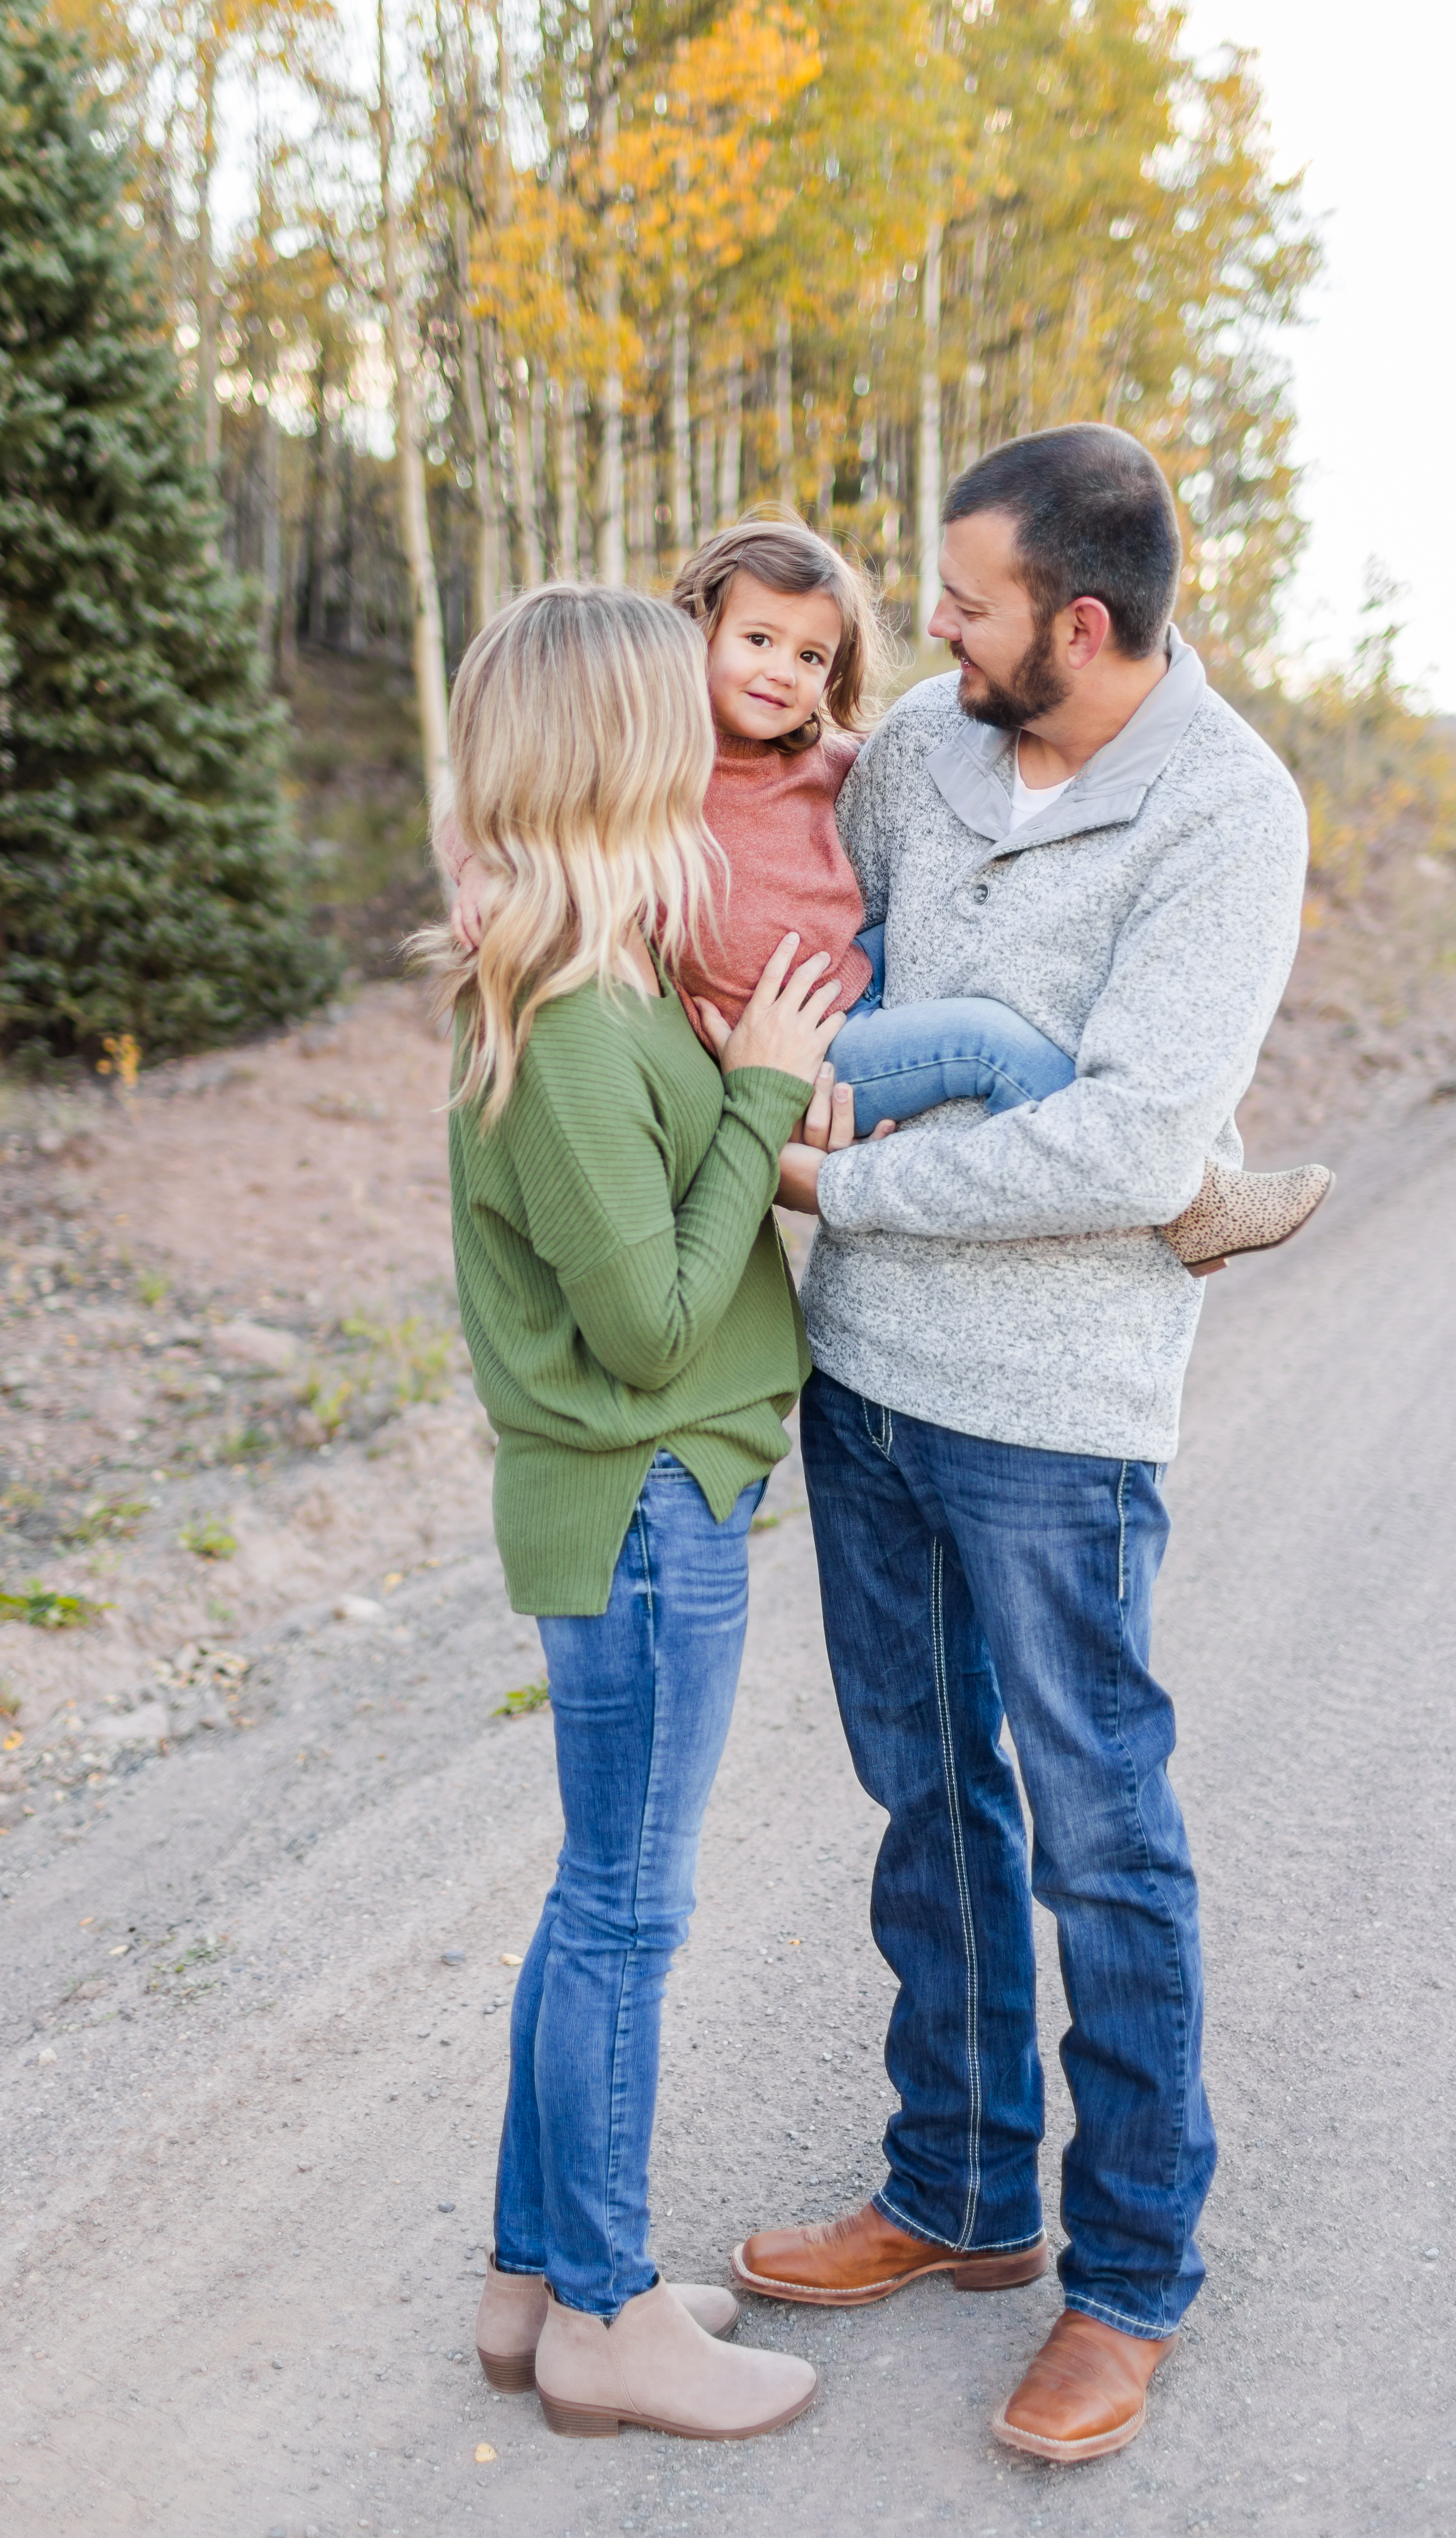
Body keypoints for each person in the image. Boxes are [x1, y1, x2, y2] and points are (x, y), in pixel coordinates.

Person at [727, 424, 1312, 2465]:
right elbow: (842, 988)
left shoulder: (1228, 814)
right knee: (926, 1800)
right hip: (866, 1386)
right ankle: (960, 2188)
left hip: (1055, 1419)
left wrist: (845, 1193)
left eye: (965, 600)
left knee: (1098, 1832)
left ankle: (1129, 2271)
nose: (934, 627)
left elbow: (1137, 1142)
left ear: (1074, 620)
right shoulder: (918, 747)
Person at [433, 581, 845, 2443]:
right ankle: (605, 2317)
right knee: (624, 1914)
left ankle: (531, 2281)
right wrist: (760, 1099)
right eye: (673, 709)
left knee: (593, 1898)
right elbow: (652, 1317)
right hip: (645, 1501)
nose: (712, 726)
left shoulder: (576, 968)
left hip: (631, 1497)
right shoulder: (580, 1012)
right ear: (617, 747)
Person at [442, 516, 1331, 1276]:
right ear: (696, 634)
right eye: (757, 641)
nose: (782, 672)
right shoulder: (659, 767)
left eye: (811, 656)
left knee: (915, 951)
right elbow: (518, 795)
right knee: (983, 1038)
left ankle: (1157, 1163)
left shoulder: (826, 760)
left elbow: (933, 764)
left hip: (850, 989)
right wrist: (480, 863)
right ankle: (1192, 1193)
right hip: (802, 1051)